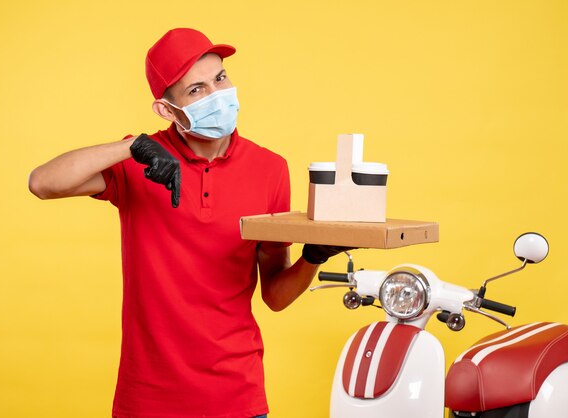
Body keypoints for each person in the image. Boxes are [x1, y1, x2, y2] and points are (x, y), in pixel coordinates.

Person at [28, 28, 349, 418]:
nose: (216, 95)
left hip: (237, 397)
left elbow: (275, 297)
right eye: (195, 90)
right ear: (167, 110)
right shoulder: (140, 163)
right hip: (148, 399)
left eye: (220, 78)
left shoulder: (271, 169)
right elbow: (42, 183)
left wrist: (313, 257)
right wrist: (131, 147)